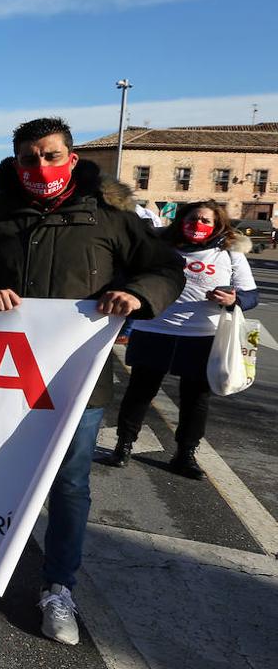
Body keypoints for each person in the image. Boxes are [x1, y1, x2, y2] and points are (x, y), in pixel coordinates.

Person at [0, 116, 185, 645]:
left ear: (70, 158)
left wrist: (137, 295)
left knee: (68, 485)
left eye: (49, 155)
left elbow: (165, 269)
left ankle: (58, 587)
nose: (39, 167)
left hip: (77, 383)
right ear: (16, 162)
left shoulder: (111, 216)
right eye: (28, 158)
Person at [109, 201, 259, 478]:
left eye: (205, 221)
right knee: (139, 393)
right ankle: (124, 445)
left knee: (195, 399)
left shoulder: (229, 253)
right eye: (192, 219)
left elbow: (251, 295)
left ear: (217, 226)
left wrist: (233, 298)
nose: (197, 226)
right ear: (180, 221)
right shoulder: (161, 246)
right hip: (154, 330)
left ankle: (185, 455)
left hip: (201, 336)